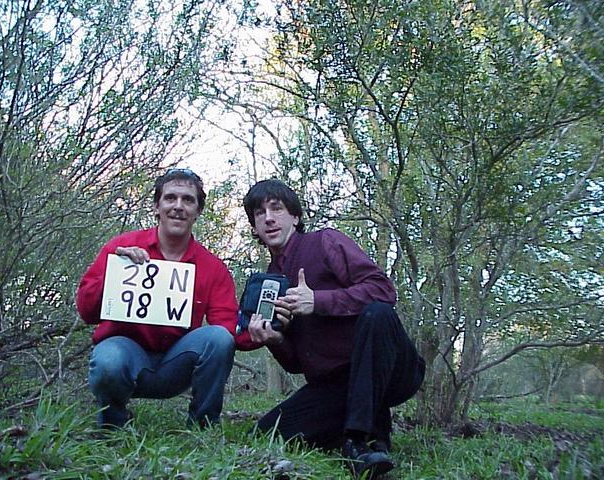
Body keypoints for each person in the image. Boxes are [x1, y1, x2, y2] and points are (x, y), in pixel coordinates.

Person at [243, 179, 426, 479]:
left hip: (392, 368)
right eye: (259, 213)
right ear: (255, 227)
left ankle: (358, 442)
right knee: (266, 433)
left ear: (295, 217)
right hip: (339, 385)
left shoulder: (325, 242)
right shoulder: (270, 282)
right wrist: (275, 339)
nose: (269, 218)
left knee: (377, 314)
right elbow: (297, 363)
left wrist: (318, 300)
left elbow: (383, 291)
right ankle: (362, 427)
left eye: (276, 209)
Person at [76, 168, 257, 429]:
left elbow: (227, 328)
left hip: (176, 362)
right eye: (170, 198)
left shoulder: (213, 268)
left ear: (198, 211)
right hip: (124, 356)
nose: (178, 207)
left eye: (188, 200)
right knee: (108, 360)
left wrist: (257, 335)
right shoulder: (123, 248)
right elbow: (86, 310)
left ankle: (202, 427)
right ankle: (112, 425)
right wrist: (116, 274)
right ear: (156, 206)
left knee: (217, 337)